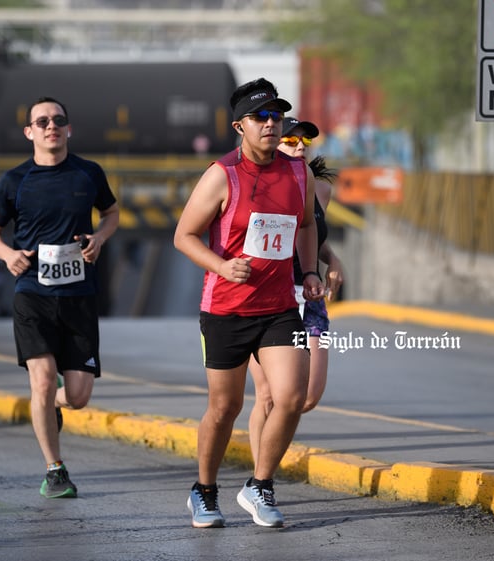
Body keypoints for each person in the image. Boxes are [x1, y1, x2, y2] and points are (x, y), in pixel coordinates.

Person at [173, 78, 325, 529]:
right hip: (225, 309)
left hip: (279, 307)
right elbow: (183, 236)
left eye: (277, 116)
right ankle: (203, 491)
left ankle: (260, 485)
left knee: (292, 397)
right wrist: (221, 267)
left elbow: (307, 226)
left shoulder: (299, 172)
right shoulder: (222, 174)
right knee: (226, 407)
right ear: (240, 126)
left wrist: (311, 271)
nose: (272, 124)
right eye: (261, 117)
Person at [0, 96, 119, 499]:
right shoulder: (14, 180)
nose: (50, 126)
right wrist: (9, 255)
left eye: (58, 120)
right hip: (33, 295)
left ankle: (51, 402)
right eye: (41, 121)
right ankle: (55, 470)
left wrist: (100, 239)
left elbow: (111, 214)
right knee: (40, 381)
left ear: (69, 129)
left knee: (77, 397)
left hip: (79, 296)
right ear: (29, 132)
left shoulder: (88, 173)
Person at [247, 117, 344, 467]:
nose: (300, 146)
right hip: (264, 297)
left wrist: (331, 259)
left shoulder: (318, 189)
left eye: (304, 140)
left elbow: (312, 235)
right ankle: (261, 481)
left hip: (308, 294)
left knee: (308, 396)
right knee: (268, 394)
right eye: (291, 139)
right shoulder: (258, 183)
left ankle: (263, 474)